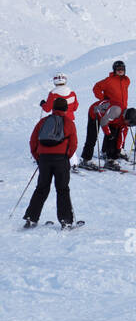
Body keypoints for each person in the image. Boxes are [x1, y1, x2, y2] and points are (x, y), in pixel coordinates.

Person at [23, 98, 78, 228]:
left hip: (44, 159)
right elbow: (74, 144)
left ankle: (31, 217)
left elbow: (33, 141)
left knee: (41, 188)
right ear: (65, 109)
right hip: (61, 160)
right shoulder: (68, 123)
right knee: (62, 189)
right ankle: (66, 221)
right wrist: (66, 156)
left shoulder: (43, 122)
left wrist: (38, 157)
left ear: (53, 108)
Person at [80, 61, 130, 166]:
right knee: (94, 135)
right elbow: (96, 88)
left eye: (122, 69)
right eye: (118, 69)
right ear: (114, 70)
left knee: (113, 134)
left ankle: (109, 154)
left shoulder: (126, 80)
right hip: (104, 110)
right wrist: (103, 99)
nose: (120, 71)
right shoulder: (109, 81)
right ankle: (86, 157)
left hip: (119, 111)